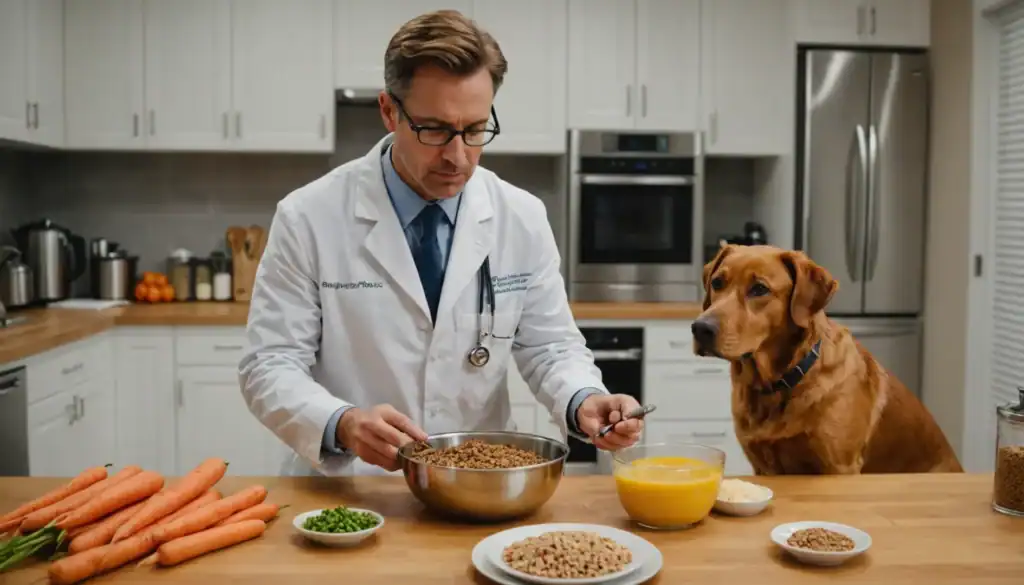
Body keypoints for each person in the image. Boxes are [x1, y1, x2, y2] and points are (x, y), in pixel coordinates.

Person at [238, 9, 643, 477]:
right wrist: (341, 423)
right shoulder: (308, 216)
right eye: (433, 130)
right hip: (354, 489)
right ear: (389, 111)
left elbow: (549, 346)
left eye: (475, 130)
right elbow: (269, 365)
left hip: (482, 483)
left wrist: (583, 399)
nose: (457, 157)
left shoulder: (521, 216)